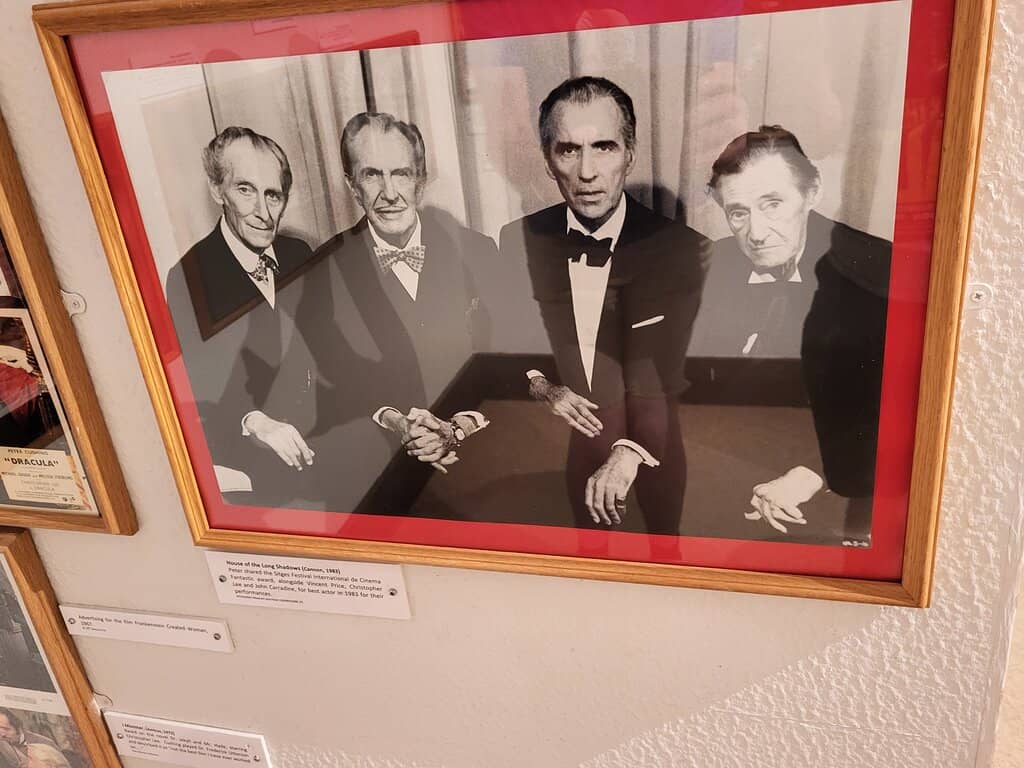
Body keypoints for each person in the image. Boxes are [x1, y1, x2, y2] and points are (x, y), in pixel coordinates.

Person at [499, 76, 708, 536]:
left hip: (656, 445)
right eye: (569, 150)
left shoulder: (682, 248)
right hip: (574, 443)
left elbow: (666, 374)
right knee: (589, 564)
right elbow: (515, 341)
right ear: (548, 159)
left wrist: (630, 450)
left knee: (666, 556)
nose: (587, 172)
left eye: (605, 147)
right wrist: (542, 387)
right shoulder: (518, 239)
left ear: (630, 154)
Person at [694, 125, 891, 544]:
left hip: (837, 494)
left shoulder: (880, 274)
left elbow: (898, 414)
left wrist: (812, 474)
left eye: (772, 204)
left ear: (812, 191)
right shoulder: (709, 267)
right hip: (726, 472)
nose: (757, 233)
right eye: (738, 213)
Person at [302, 111, 495, 514]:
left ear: (420, 180)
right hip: (379, 477)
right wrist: (397, 423)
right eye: (372, 175)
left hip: (482, 466)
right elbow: (331, 383)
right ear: (352, 185)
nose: (389, 193)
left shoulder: (478, 252)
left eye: (401, 174)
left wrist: (457, 428)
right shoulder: (322, 271)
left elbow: (502, 363)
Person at [165, 126, 320, 505]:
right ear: (218, 190)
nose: (263, 213)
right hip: (255, 459)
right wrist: (258, 423)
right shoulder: (188, 277)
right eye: (245, 189)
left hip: (321, 440)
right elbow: (203, 385)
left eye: (273, 195)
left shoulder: (299, 253)